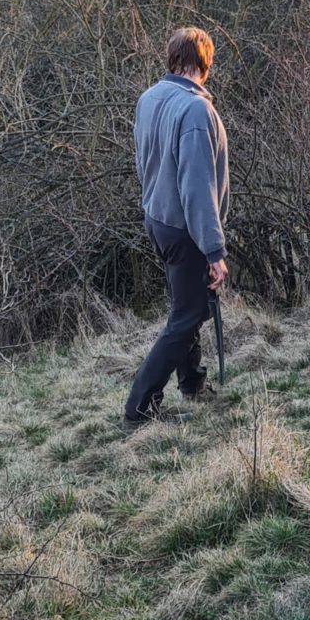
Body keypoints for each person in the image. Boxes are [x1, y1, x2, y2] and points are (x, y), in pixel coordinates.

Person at [125, 24, 230, 427]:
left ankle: (192, 382)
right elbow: (198, 188)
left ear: (173, 58)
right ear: (206, 63)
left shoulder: (149, 98)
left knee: (187, 307)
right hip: (184, 227)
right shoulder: (196, 110)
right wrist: (213, 251)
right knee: (187, 316)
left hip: (157, 218)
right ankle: (139, 408)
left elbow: (143, 162)